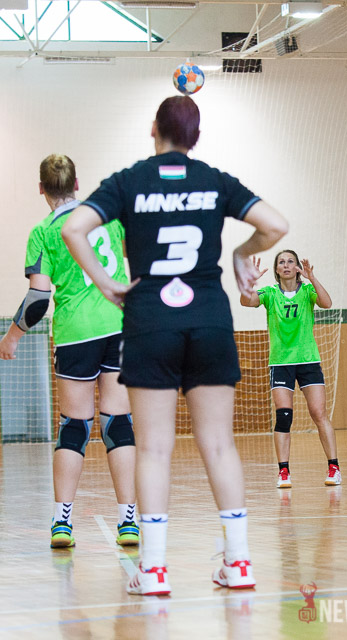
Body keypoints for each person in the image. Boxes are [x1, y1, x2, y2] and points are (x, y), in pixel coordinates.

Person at [60, 96, 289, 595]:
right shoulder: (215, 180)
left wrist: (104, 282)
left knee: (154, 448)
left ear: (153, 129)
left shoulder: (129, 181)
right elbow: (276, 225)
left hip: (150, 322)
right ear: (196, 138)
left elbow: (74, 227)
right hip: (209, 320)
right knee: (219, 444)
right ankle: (240, 563)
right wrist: (241, 253)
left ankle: (155, 570)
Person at [0, 154, 139, 549]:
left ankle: (62, 522)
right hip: (119, 325)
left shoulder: (44, 232)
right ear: (77, 184)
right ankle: (128, 521)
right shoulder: (106, 217)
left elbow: (38, 299)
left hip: (76, 333)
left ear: (41, 189)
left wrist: (12, 337)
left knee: (74, 426)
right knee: (118, 423)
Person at [240, 250, 342, 488]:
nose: (286, 265)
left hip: (308, 360)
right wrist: (250, 281)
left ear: (297, 267)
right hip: (280, 363)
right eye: (281, 262)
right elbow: (246, 301)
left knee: (319, 414)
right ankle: (283, 472)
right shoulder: (269, 293)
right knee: (284, 416)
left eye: (290, 261)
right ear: (276, 269)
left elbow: (327, 303)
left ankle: (334, 468)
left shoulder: (307, 291)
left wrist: (312, 278)